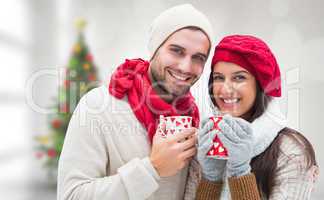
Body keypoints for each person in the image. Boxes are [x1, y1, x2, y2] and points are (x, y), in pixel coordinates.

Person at [57, 4, 214, 200]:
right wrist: (152, 169)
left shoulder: (194, 117)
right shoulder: (97, 106)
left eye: (198, 58)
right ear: (155, 49)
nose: (185, 66)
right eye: (176, 51)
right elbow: (71, 196)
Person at [193, 35, 319, 199]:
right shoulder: (207, 142)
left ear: (261, 85)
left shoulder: (291, 152)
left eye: (239, 77)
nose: (225, 89)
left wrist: (240, 173)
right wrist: (211, 177)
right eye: (219, 78)